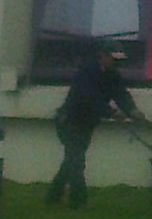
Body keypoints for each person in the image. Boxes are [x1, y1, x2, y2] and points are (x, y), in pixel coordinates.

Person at [45, 46, 143, 208]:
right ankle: (78, 202)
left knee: (72, 159)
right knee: (77, 160)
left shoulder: (113, 75)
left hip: (87, 123)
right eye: (113, 59)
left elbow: (121, 94)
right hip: (69, 121)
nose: (116, 63)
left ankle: (53, 197)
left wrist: (132, 110)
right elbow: (88, 97)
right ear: (102, 56)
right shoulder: (87, 72)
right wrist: (111, 112)